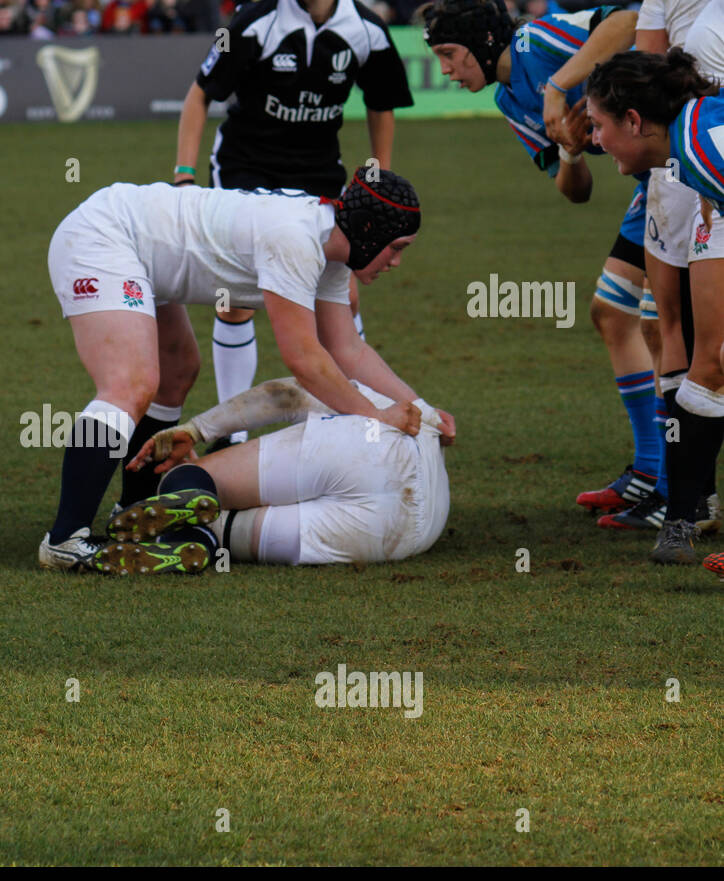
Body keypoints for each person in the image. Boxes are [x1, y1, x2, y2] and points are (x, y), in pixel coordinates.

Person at [38, 168, 455, 570]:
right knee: (130, 383)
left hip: (138, 249)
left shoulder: (329, 249)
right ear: (369, 231)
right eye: (397, 247)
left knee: (178, 372)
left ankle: (136, 509)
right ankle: (65, 539)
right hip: (104, 235)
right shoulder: (296, 239)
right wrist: (376, 416)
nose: (396, 261)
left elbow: (348, 350)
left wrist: (421, 408)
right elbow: (305, 360)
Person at [422, 0, 666, 527]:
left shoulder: (536, 41)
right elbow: (572, 190)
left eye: (449, 54)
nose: (445, 70)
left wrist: (558, 86)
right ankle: (652, 472)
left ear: (484, 42)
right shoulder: (510, 103)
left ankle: (672, 485)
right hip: (650, 183)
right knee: (613, 314)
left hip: (677, 166)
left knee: (663, 327)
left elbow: (625, 21)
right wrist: (574, 152)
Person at [174, 0, 414, 451]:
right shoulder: (251, 22)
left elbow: (382, 104)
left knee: (345, 295)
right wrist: (184, 175)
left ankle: (360, 413)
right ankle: (233, 434)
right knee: (235, 299)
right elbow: (201, 93)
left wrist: (378, 178)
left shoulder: (368, 31)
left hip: (317, 176)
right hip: (245, 170)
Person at [586, 48, 724, 568]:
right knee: (708, 363)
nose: (595, 141)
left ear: (635, 120)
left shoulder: (703, 147)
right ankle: (684, 517)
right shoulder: (680, 163)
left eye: (598, 126)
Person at [89, 377, 451, 573]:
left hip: (368, 448)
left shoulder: (365, 393)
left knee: (191, 478)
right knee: (227, 531)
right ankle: (196, 540)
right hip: (405, 535)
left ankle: (186, 503)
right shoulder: (424, 415)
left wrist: (198, 430)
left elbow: (283, 396)